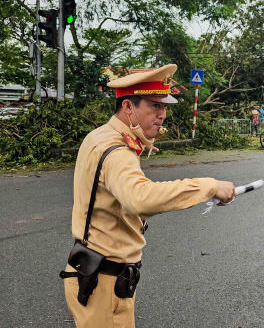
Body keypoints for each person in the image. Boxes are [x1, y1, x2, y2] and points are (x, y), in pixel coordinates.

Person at [60, 64, 236, 327]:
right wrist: (209, 186)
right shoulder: (118, 151)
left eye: (164, 106)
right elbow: (140, 198)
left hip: (91, 273)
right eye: (155, 106)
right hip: (105, 286)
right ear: (129, 107)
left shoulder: (99, 136)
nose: (163, 114)